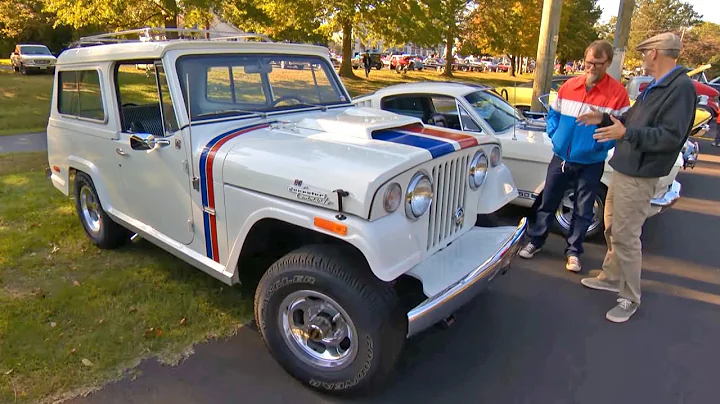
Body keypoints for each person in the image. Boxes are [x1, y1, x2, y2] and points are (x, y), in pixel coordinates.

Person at [576, 32, 696, 323]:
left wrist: (626, 134)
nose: (642, 59)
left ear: (655, 53)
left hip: (640, 174)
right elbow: (630, 119)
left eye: (645, 53)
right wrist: (604, 119)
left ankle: (630, 298)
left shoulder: (680, 89)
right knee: (612, 226)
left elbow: (669, 137)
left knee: (627, 237)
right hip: (625, 167)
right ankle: (611, 276)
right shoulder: (655, 87)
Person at [518, 40, 630, 273]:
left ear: (608, 63)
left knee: (583, 209)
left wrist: (600, 146)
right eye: (588, 62)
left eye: (598, 64)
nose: (591, 68)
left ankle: (574, 252)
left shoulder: (617, 94)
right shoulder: (569, 86)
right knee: (547, 202)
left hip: (591, 162)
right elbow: (554, 115)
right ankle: (535, 241)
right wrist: (554, 134)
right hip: (561, 157)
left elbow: (620, 128)